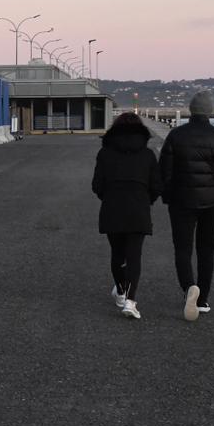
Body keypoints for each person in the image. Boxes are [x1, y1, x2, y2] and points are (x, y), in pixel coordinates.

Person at [160, 90, 214, 322]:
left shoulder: (176, 135)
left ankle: (188, 289)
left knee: (182, 248)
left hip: (181, 200)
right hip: (212, 202)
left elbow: (164, 171)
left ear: (191, 109)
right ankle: (202, 299)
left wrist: (167, 196)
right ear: (210, 111)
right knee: (207, 249)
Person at [92, 112, 162, 319]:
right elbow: (157, 186)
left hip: (112, 208)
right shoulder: (148, 155)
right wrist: (145, 199)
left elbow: (97, 185)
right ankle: (130, 302)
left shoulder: (105, 153)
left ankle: (121, 291)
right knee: (134, 257)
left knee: (117, 254)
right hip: (138, 209)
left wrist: (109, 196)